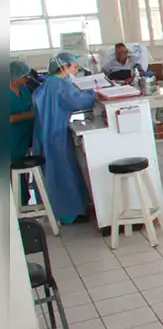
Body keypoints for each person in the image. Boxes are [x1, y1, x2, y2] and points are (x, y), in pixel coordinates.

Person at [32, 52, 97, 225]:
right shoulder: (60, 85)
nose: (76, 71)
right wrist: (93, 93)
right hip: (55, 135)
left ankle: (63, 210)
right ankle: (69, 214)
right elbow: (77, 102)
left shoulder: (48, 83)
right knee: (62, 172)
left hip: (46, 133)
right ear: (64, 67)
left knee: (54, 172)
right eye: (74, 67)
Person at [10, 61, 37, 206]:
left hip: (25, 138)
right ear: (14, 77)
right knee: (12, 176)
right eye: (24, 76)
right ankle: (16, 206)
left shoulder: (25, 91)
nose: (27, 79)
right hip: (11, 140)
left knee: (23, 174)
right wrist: (29, 115)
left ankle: (24, 202)